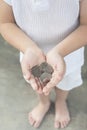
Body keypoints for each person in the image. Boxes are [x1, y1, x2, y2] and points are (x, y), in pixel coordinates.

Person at [0, 0, 86, 128]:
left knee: (65, 82)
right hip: (30, 53)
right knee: (38, 84)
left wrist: (59, 52)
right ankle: (44, 103)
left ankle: (60, 101)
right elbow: (5, 22)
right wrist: (29, 48)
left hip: (69, 52)